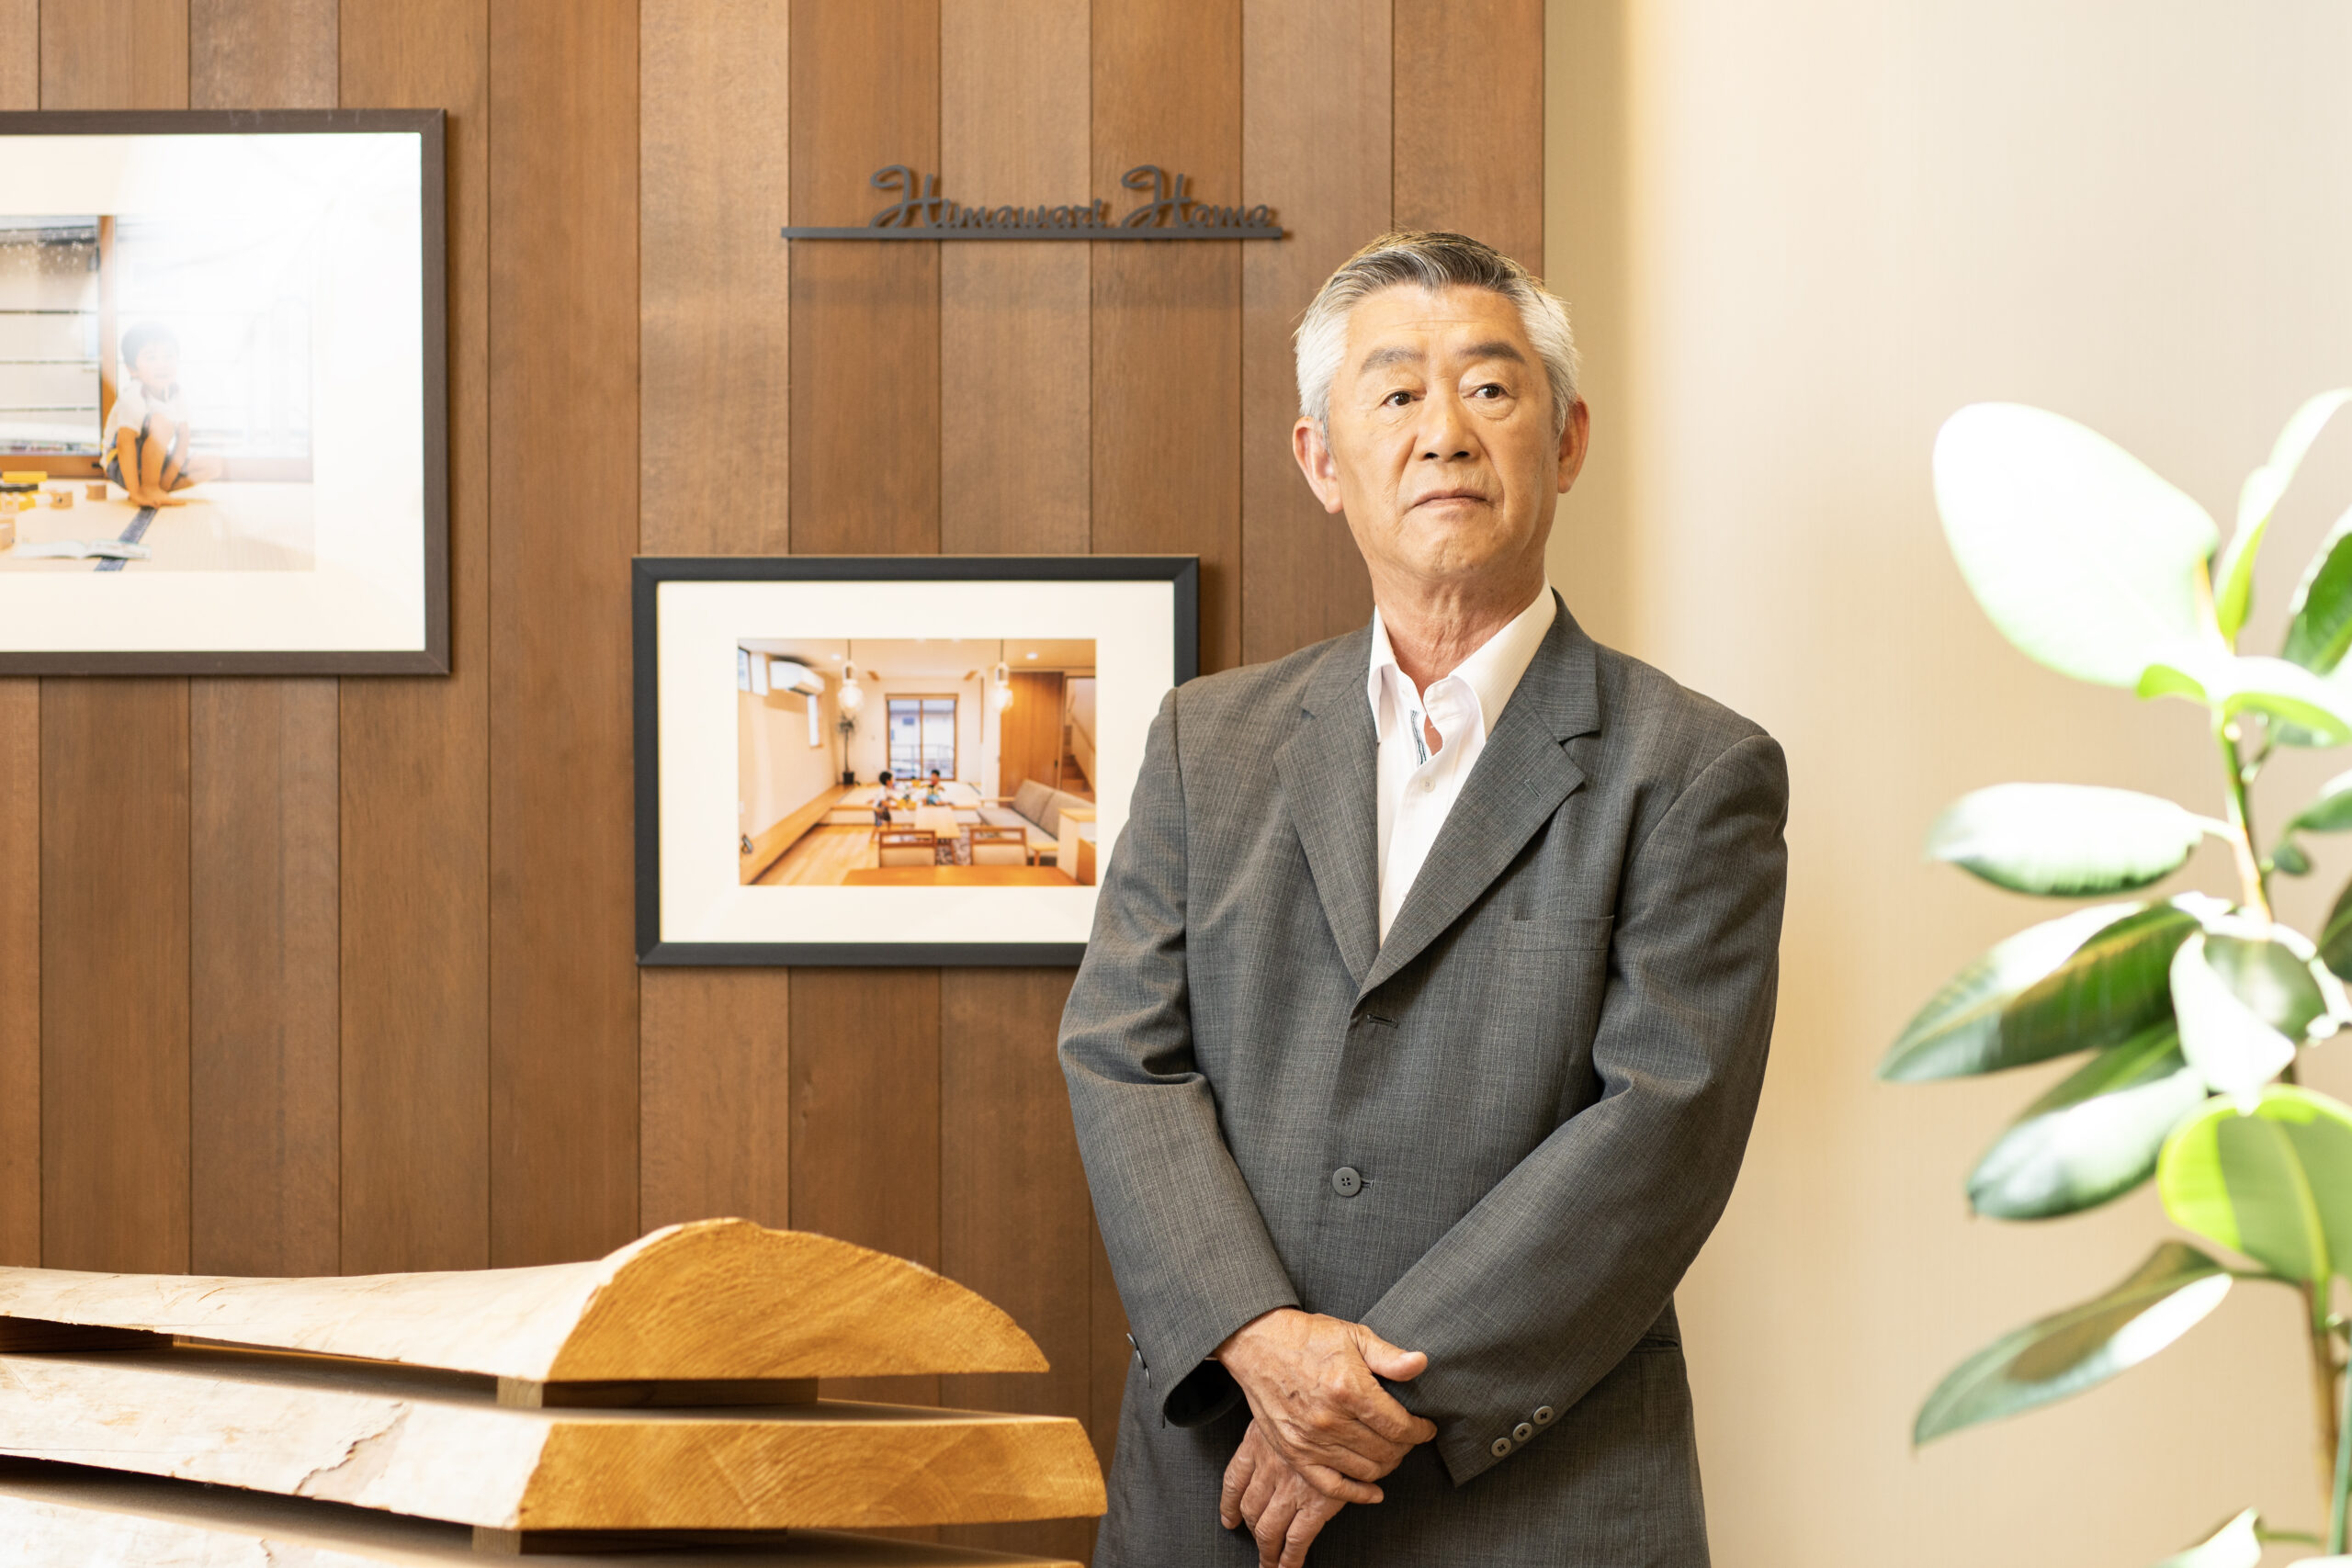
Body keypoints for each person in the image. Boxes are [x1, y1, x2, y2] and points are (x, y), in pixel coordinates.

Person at [1059, 231, 1789, 1568]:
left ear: (1566, 441)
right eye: (1396, 391)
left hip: (1536, 1494)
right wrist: (1258, 1340)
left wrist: (1348, 1405)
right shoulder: (1205, 741)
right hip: (1215, 1471)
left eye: (1491, 388)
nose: (1444, 431)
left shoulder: (1695, 769)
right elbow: (1120, 1054)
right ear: (1320, 459)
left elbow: (1660, 1129)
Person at [103, 322, 222, 510]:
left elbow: (183, 439)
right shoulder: (134, 394)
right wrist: (135, 492)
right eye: (151, 358)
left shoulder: (175, 393)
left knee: (214, 465)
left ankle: (155, 490)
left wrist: (164, 484)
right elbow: (124, 443)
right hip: (122, 463)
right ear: (133, 369)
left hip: (153, 461)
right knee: (162, 423)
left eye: (169, 356)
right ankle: (147, 488)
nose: (162, 364)